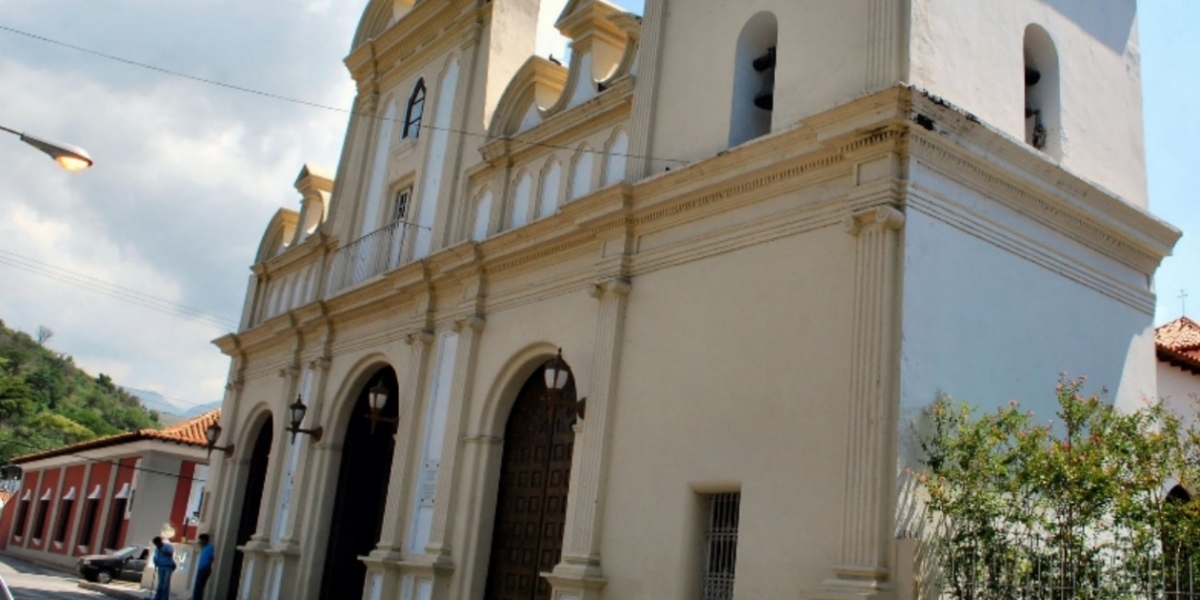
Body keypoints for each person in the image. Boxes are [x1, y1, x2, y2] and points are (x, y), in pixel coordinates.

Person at [151, 536, 176, 600]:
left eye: (157, 544)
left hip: (168, 566)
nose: (156, 545)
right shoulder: (156, 549)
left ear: (160, 542)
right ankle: (158, 597)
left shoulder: (167, 546)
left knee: (166, 583)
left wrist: (162, 550)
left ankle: (164, 598)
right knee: (160, 583)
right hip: (160, 566)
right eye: (155, 544)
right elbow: (155, 557)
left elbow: (170, 554)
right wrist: (155, 561)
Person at [192, 533, 213, 600]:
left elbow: (211, 558)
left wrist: (208, 567)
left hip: (205, 568)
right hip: (201, 568)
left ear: (204, 540)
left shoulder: (210, 547)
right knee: (198, 587)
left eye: (201, 540)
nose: (200, 542)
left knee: (199, 586)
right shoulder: (204, 548)